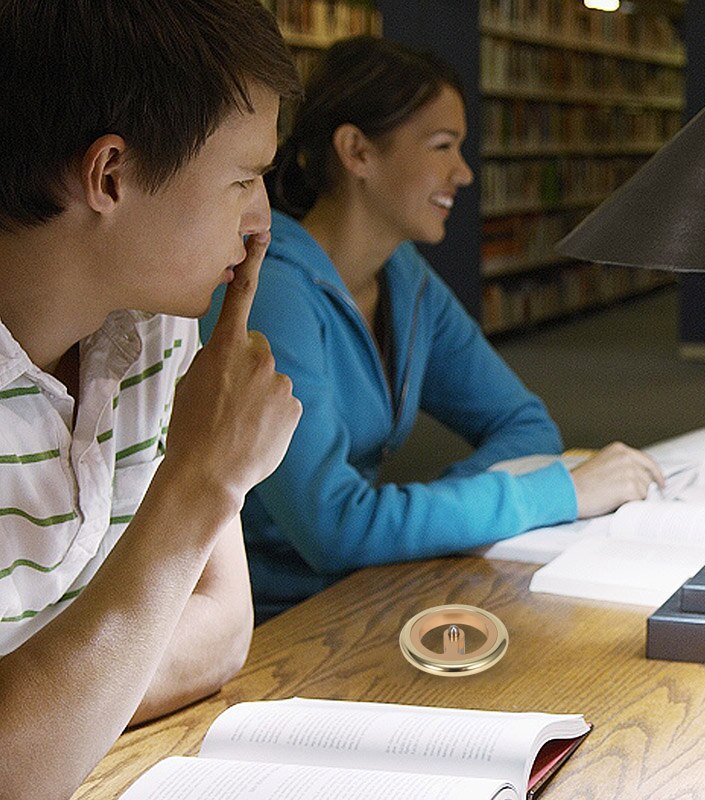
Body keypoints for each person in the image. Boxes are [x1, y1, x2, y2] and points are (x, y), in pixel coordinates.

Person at [203, 35, 663, 624]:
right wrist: (550, 494)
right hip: (271, 620)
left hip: (367, 586)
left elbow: (525, 426)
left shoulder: (403, 276)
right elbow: (333, 528)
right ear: (357, 152)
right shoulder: (271, 289)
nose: (464, 172)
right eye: (443, 146)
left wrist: (418, 515)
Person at [0, 2, 304, 798]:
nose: (262, 222)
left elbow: (222, 629)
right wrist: (202, 481)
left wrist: (46, 707)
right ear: (112, 176)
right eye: (243, 179)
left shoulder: (156, 330)